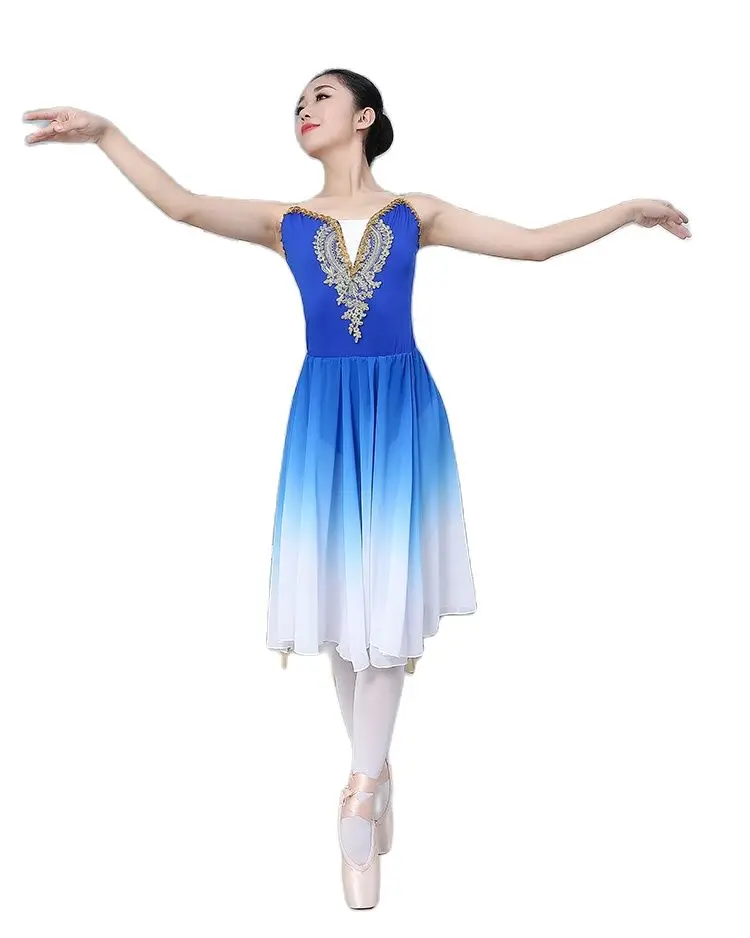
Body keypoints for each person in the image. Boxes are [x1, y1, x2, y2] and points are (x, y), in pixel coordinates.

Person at [22, 66, 691, 910]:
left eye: (322, 97)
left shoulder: (417, 212)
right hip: (326, 420)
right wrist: (105, 134)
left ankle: (361, 790)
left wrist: (627, 210)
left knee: (387, 604)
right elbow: (182, 205)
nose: (305, 109)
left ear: (365, 117)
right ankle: (373, 772)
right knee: (346, 607)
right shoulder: (285, 222)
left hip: (399, 414)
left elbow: (533, 243)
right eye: (297, 103)